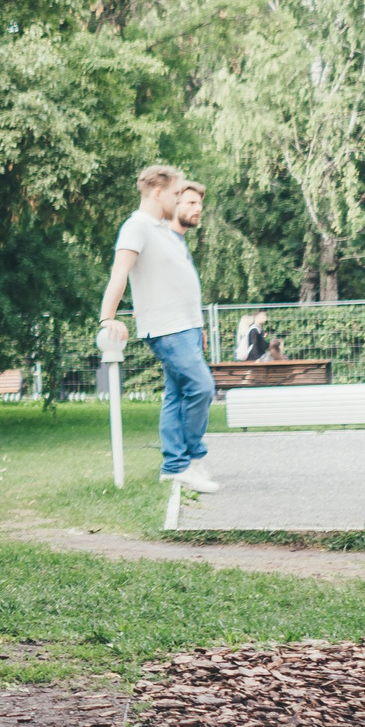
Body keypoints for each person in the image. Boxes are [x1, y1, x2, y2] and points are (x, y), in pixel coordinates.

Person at [99, 164, 218, 493]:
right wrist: (107, 317)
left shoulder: (165, 231)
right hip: (167, 329)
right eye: (177, 194)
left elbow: (176, 281)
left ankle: (176, 466)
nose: (181, 200)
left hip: (187, 326)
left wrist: (198, 324)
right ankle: (184, 462)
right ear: (158, 193)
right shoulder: (136, 227)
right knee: (202, 388)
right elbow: (120, 272)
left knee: (176, 395)